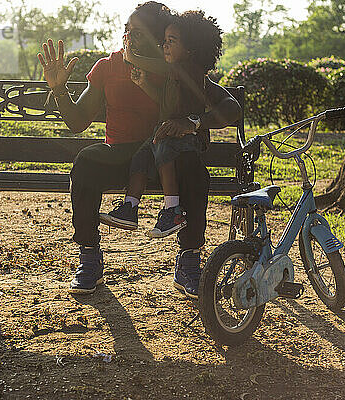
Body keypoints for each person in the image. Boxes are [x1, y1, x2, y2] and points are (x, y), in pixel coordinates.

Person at [37, 1, 241, 298]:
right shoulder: (107, 67)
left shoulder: (178, 70)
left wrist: (194, 122)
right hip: (122, 156)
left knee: (195, 171)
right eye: (128, 30)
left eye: (140, 32)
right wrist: (58, 89)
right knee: (85, 162)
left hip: (165, 160)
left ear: (161, 39)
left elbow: (230, 107)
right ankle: (90, 257)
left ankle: (189, 262)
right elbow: (78, 121)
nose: (130, 37)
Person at [99, 11, 223, 240]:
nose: (164, 46)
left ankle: (172, 210)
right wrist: (144, 83)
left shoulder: (188, 69)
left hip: (186, 137)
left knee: (163, 151)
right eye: (164, 41)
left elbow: (162, 68)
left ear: (190, 49)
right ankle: (130, 207)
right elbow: (164, 102)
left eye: (171, 42)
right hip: (165, 131)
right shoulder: (173, 73)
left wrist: (132, 57)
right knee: (142, 157)